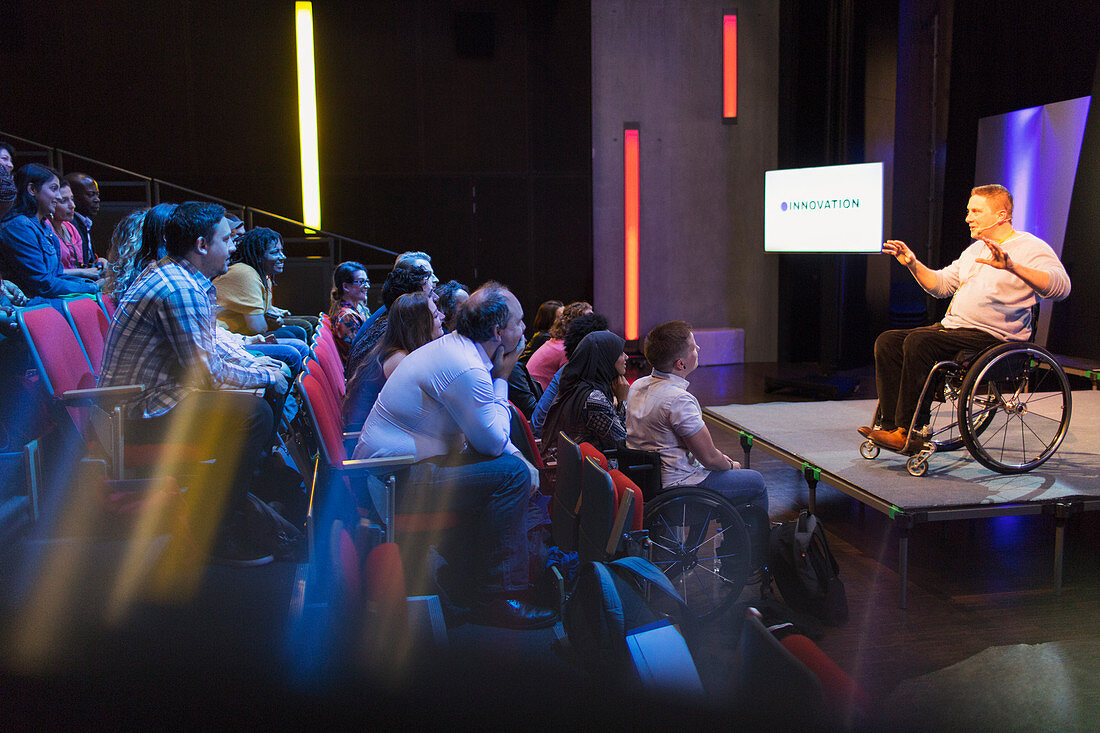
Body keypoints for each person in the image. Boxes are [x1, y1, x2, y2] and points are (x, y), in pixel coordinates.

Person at [353, 282, 555, 629]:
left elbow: (485, 436)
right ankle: (498, 597)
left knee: (510, 467)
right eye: (519, 322)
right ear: (498, 331)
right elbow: (491, 441)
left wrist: (517, 456)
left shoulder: (457, 351)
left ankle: (469, 579)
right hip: (395, 481)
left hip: (396, 473)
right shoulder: (467, 368)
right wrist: (503, 378)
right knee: (513, 475)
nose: (525, 329)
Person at [98, 201, 289, 566]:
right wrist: (266, 375)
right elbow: (209, 374)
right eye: (226, 239)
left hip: (162, 397)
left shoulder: (184, 279)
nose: (234, 247)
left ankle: (244, 501)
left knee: (259, 397)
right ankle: (217, 533)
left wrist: (257, 366)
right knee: (255, 414)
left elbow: (211, 350)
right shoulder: (178, 289)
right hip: (137, 413)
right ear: (202, 245)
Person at [864, 184, 1072, 452]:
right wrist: (914, 265)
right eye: (967, 211)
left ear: (1000, 215)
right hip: (955, 329)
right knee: (888, 340)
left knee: (919, 341)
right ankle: (891, 426)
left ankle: (912, 430)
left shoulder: (1030, 247)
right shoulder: (974, 251)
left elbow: (1061, 288)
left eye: (975, 211)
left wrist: (1012, 267)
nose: (968, 217)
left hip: (994, 336)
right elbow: (941, 285)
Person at [626, 321, 769, 560]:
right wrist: (731, 465)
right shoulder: (678, 399)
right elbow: (710, 458)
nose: (698, 349)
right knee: (754, 482)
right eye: (693, 347)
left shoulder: (638, 385)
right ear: (680, 364)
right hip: (679, 492)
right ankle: (749, 558)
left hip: (649, 484)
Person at [342, 291, 443, 432]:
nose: (443, 318)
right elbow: (419, 415)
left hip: (374, 432)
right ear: (421, 326)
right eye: (436, 316)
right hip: (361, 441)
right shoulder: (400, 361)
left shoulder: (393, 349)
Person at [0, 164, 98, 298]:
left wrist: (93, 283)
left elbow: (57, 275)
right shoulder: (19, 226)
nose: (58, 197)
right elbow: (43, 285)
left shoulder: (44, 226)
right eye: (54, 189)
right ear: (32, 189)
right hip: (33, 305)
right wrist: (94, 286)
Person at [214, 227, 309, 359]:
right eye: (275, 252)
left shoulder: (264, 276)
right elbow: (257, 328)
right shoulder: (245, 274)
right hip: (229, 338)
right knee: (293, 346)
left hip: (243, 332)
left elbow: (267, 314)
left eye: (281, 251)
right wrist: (272, 323)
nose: (283, 257)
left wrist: (275, 320)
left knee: (299, 329)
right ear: (258, 256)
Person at [540, 330, 629, 464]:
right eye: (620, 353)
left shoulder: (578, 385)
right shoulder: (594, 399)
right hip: (589, 473)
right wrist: (622, 401)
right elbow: (621, 440)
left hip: (577, 466)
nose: (626, 357)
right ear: (606, 358)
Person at [344, 262, 434, 378]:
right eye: (430, 295)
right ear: (411, 301)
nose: (435, 299)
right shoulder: (395, 330)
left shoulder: (387, 318)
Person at [531, 311, 610, 437]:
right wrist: (622, 400)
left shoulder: (576, 366)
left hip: (545, 437)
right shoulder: (581, 375)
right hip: (546, 442)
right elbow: (616, 436)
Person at [525, 300, 593, 389]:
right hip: (539, 399)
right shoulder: (565, 349)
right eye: (589, 320)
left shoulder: (558, 342)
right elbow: (571, 387)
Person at [50, 179, 103, 280]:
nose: (72, 205)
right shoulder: (45, 229)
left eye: (72, 199)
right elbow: (48, 272)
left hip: (76, 284)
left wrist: (98, 263)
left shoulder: (71, 228)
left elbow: (80, 265)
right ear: (52, 201)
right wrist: (84, 272)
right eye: (64, 201)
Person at [328, 261, 370, 363]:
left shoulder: (360, 308)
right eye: (361, 282)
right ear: (346, 287)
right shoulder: (347, 316)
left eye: (367, 281)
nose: (367, 286)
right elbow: (359, 354)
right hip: (361, 370)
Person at [63, 172, 107, 269]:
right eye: (90, 195)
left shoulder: (84, 221)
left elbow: (86, 262)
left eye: (97, 195)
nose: (97, 200)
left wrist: (98, 261)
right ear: (73, 197)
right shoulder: (69, 224)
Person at [518, 299, 562, 364]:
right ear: (551, 319)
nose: (564, 319)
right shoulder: (544, 337)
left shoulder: (543, 335)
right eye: (560, 317)